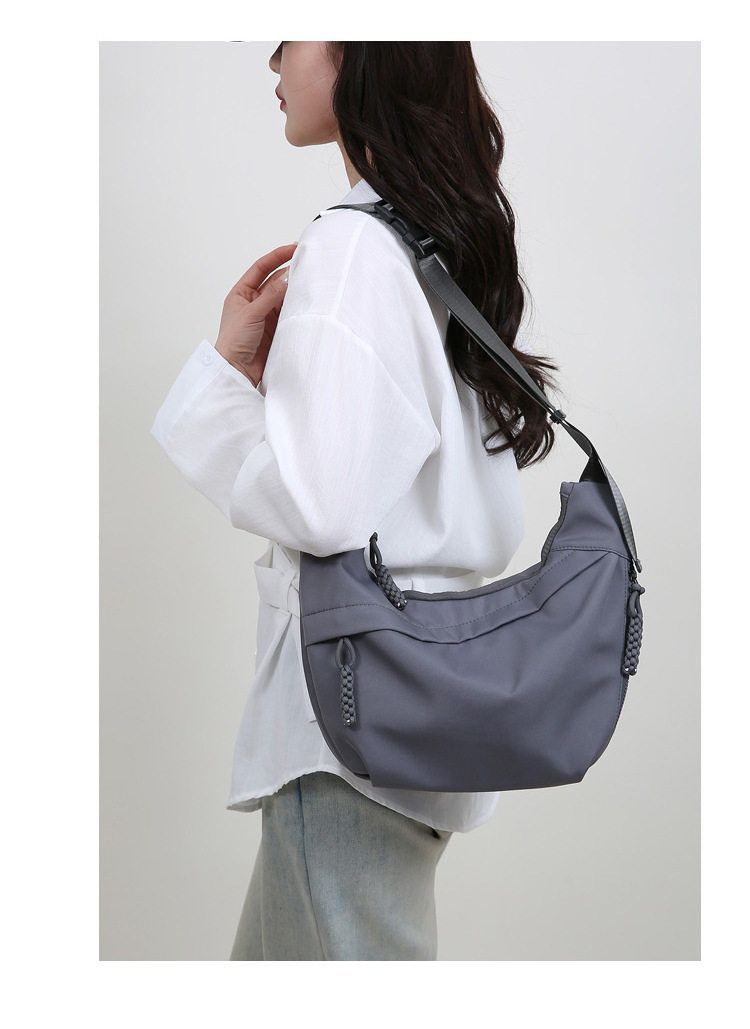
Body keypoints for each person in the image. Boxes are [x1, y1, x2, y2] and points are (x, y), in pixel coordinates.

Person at [150, 41, 561, 961]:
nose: (272, 54)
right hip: (415, 706)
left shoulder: (352, 247)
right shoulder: (435, 241)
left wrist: (223, 381)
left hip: (346, 719)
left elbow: (321, 501)